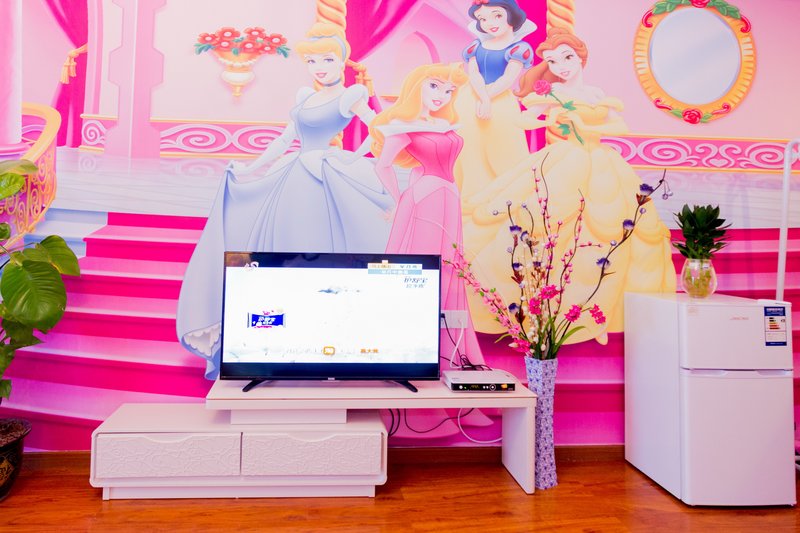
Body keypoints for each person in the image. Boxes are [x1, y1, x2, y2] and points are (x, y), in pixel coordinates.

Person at [177, 22, 393, 379]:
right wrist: (249, 169)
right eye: (312, 61)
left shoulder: (350, 95)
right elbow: (283, 141)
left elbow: (379, 128)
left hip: (326, 176)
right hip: (294, 175)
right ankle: (280, 340)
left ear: (342, 61)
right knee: (285, 249)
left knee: (324, 252)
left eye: (327, 59)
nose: (319, 67)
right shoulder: (305, 96)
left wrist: (353, 158)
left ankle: (331, 338)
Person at [464, 28, 676, 342]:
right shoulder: (553, 93)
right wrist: (547, 120)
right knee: (554, 225)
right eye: (553, 61)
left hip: (601, 160)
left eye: (567, 57)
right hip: (564, 159)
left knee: (611, 228)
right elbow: (524, 119)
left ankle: (600, 315)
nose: (561, 66)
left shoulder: (595, 93)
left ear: (581, 58)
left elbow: (619, 125)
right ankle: (548, 314)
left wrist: (583, 125)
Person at [370, 63, 485, 368]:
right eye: (434, 86)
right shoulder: (401, 125)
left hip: (449, 198)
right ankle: (412, 356)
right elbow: (382, 165)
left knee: (449, 270)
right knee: (424, 271)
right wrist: (399, 201)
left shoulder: (443, 123)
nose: (441, 95)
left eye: (449, 90)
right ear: (416, 85)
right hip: (424, 200)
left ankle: (451, 357)